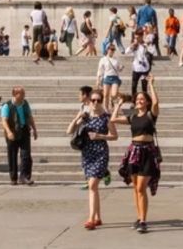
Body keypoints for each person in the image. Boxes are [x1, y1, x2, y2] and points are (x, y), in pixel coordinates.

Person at [112, 76, 162, 234]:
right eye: (138, 99)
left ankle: (143, 220)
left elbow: (156, 103)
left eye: (142, 99)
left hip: (147, 152)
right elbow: (113, 119)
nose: (139, 101)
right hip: (134, 152)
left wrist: (151, 85)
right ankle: (140, 217)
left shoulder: (150, 115)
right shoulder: (132, 117)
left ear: (146, 102)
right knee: (136, 188)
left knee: (141, 187)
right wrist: (118, 105)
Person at [69, 88, 116, 229]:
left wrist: (100, 136)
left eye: (98, 100)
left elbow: (114, 135)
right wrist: (78, 118)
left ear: (102, 101)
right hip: (87, 153)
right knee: (94, 188)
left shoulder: (106, 117)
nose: (95, 103)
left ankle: (90, 219)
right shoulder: (86, 116)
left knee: (92, 185)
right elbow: (69, 130)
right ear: (89, 101)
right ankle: (98, 217)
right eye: (93, 100)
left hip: (100, 152)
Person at [1, 86, 38, 185]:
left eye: (23, 93)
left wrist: (34, 129)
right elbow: (4, 121)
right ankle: (13, 178)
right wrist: (8, 132)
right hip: (12, 132)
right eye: (21, 93)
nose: (23, 95)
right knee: (12, 155)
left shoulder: (25, 103)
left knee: (26, 155)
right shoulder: (7, 105)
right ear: (15, 94)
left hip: (24, 130)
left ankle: (24, 177)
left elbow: (30, 116)